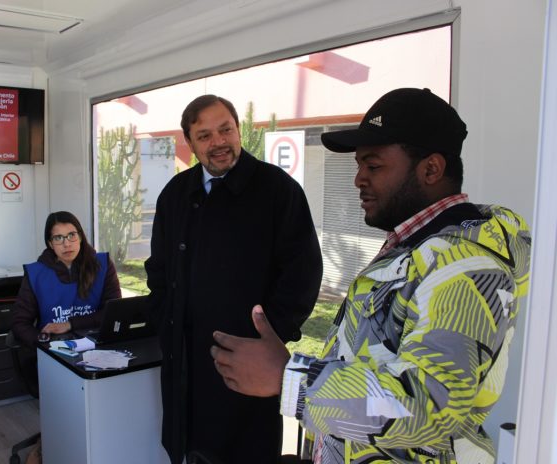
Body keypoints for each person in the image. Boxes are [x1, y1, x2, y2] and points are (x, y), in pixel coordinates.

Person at [210, 88, 532, 463]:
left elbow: (428, 406)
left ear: (431, 169)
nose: (358, 179)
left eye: (374, 166)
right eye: (359, 165)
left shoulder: (466, 265)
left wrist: (291, 379)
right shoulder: (418, 246)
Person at [145, 94, 323, 464]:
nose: (219, 142)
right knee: (187, 448)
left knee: (244, 453)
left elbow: (302, 275)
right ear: (190, 143)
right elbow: (158, 271)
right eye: (205, 135)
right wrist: (166, 321)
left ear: (239, 130)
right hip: (183, 360)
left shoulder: (278, 190)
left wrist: (269, 340)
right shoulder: (175, 194)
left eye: (225, 130)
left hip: (246, 364)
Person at [11, 210, 122, 349]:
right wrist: (44, 344)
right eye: (58, 238)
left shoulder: (103, 264)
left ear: (80, 237)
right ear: (50, 244)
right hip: (53, 348)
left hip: (97, 345)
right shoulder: (36, 273)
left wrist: (70, 324)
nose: (67, 244)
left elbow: (113, 313)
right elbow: (19, 323)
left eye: (71, 235)